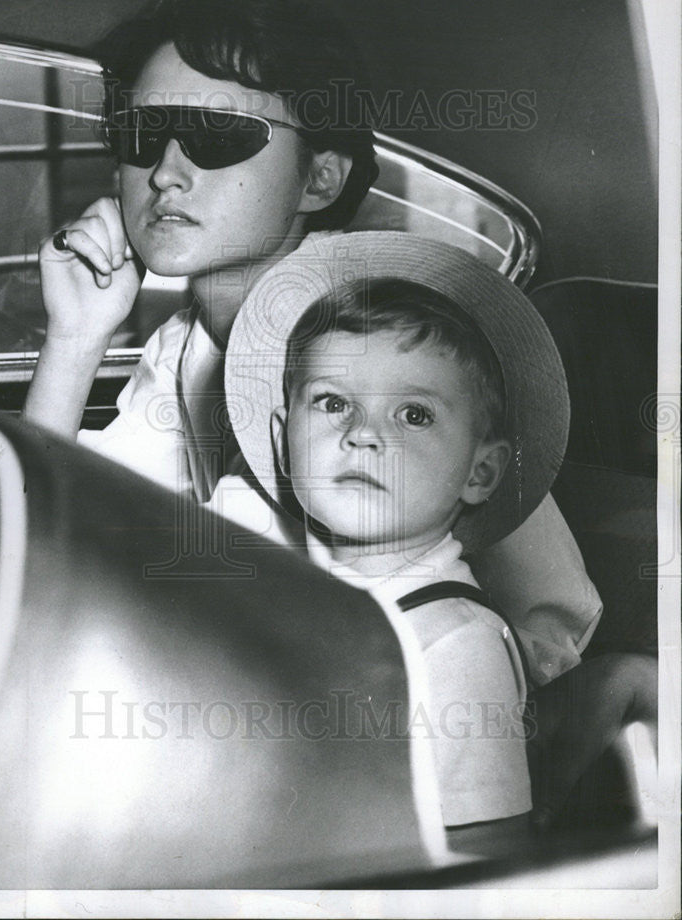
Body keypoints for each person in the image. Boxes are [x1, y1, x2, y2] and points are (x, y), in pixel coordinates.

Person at [22, 0, 600, 703]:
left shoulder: (392, 351)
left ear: (319, 179)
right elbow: (55, 538)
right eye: (142, 136)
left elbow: (546, 628)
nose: (166, 173)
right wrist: (75, 338)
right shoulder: (185, 348)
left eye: (217, 135)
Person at [224, 231, 572, 846]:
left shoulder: (457, 642)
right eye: (333, 402)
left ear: (480, 471)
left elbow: (486, 857)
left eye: (414, 414)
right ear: (282, 441)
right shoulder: (286, 587)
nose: (363, 435)